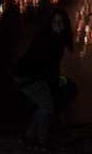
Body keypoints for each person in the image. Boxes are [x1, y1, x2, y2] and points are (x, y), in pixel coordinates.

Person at [12, 9, 76, 150]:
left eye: (61, 22)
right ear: (50, 23)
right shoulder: (47, 37)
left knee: (44, 105)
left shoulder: (57, 39)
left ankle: (30, 138)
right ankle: (41, 141)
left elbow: (52, 65)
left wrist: (55, 79)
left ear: (65, 24)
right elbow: (45, 62)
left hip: (32, 75)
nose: (58, 25)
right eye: (55, 22)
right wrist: (54, 80)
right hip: (26, 74)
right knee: (47, 105)